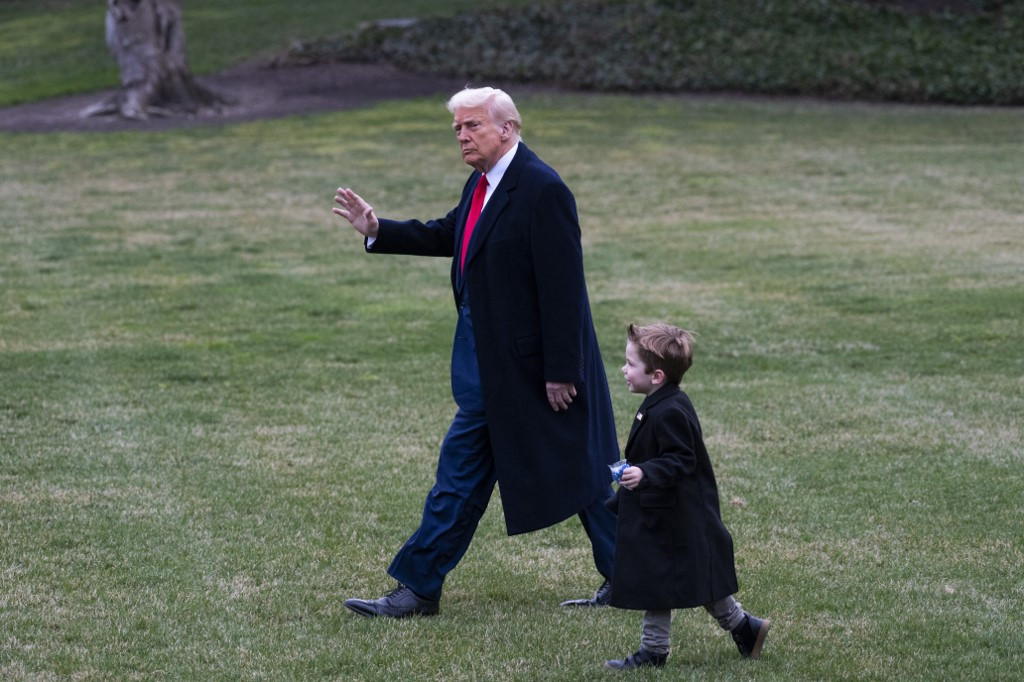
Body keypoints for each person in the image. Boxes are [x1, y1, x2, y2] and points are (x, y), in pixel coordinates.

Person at [331, 86, 618, 617]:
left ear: (507, 128)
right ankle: (420, 587)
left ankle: (420, 589)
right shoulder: (482, 183)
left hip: (535, 371)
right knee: (482, 476)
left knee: (584, 471)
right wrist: (377, 229)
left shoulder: (542, 189)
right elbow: (453, 233)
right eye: (458, 129)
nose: (462, 136)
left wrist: (561, 370)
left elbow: (564, 289)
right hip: (490, 368)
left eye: (473, 126)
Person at [603, 323, 771, 670]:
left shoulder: (670, 410)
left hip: (675, 517)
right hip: (664, 513)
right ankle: (745, 628)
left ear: (657, 376)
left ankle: (653, 651)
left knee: (659, 581)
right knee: (692, 580)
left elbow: (682, 459)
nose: (623, 369)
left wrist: (646, 473)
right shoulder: (659, 402)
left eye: (631, 364)